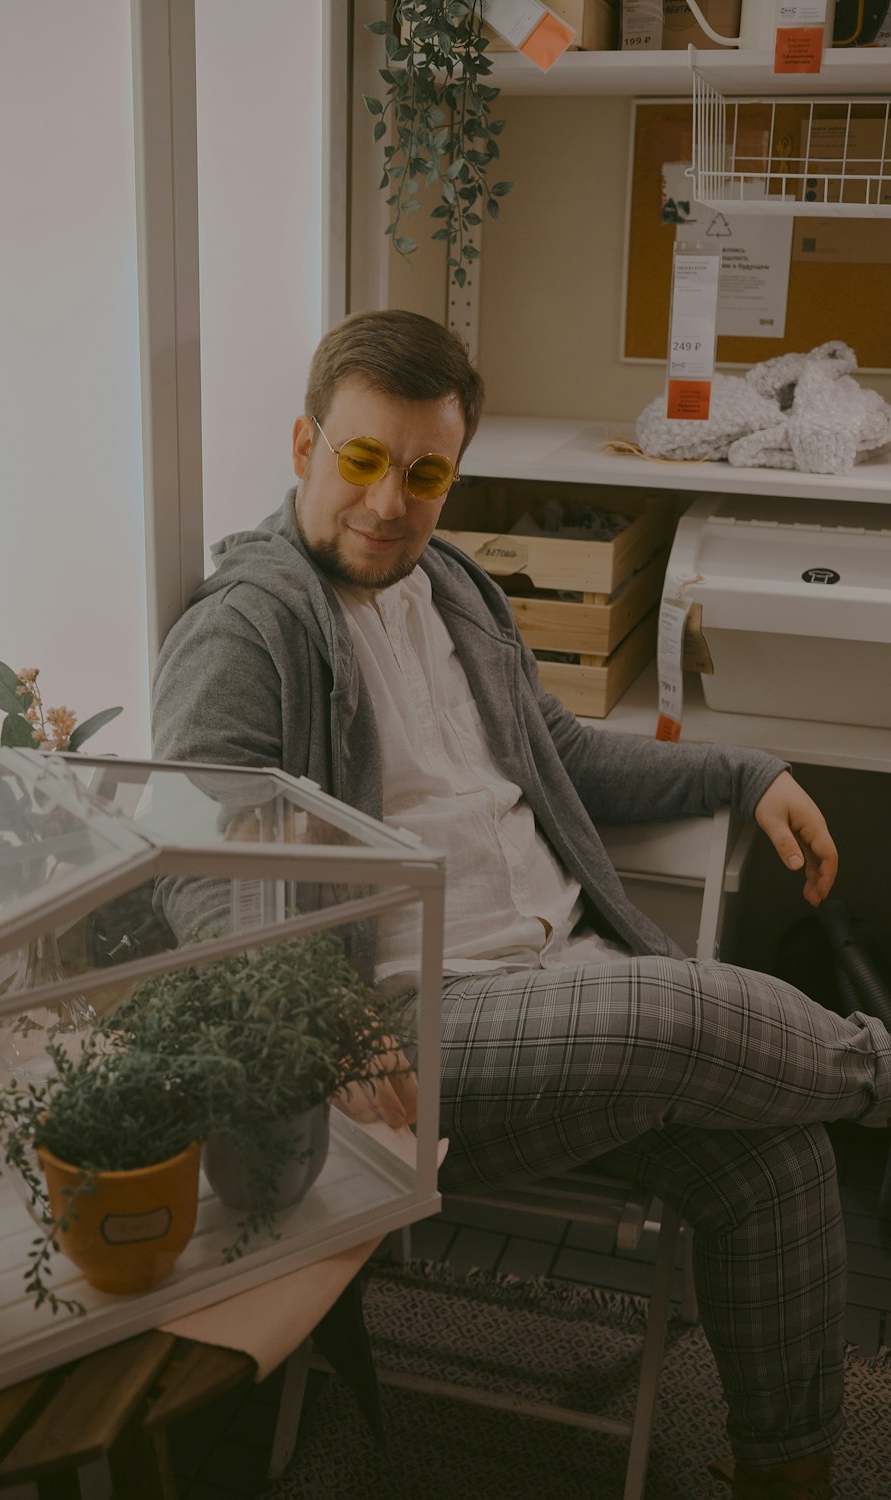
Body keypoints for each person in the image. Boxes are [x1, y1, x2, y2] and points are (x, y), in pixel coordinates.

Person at [151, 309, 891, 1500]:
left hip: (568, 974)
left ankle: (786, 1476)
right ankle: (879, 1073)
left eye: (426, 472)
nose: (391, 500)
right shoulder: (247, 632)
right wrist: (322, 1018)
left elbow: (560, 753)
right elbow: (196, 867)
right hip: (404, 1032)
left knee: (777, 1157)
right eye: (362, 459)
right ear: (303, 445)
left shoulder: (448, 582)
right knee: (679, 1017)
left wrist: (746, 769)